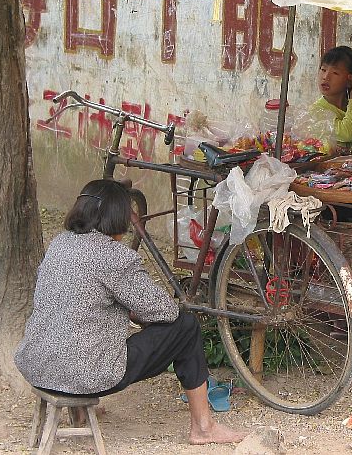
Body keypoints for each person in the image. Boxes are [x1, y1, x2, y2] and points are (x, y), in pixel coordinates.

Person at [14, 179, 245, 445]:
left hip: (37, 364)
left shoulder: (60, 243)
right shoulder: (113, 256)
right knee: (186, 327)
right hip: (85, 373)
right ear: (117, 218)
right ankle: (203, 428)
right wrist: (134, 312)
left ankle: (79, 411)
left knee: (79, 334)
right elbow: (165, 311)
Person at [311, 45, 352, 154]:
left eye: (335, 73)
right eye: (323, 70)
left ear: (350, 80)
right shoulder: (317, 111)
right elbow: (346, 134)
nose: (326, 77)